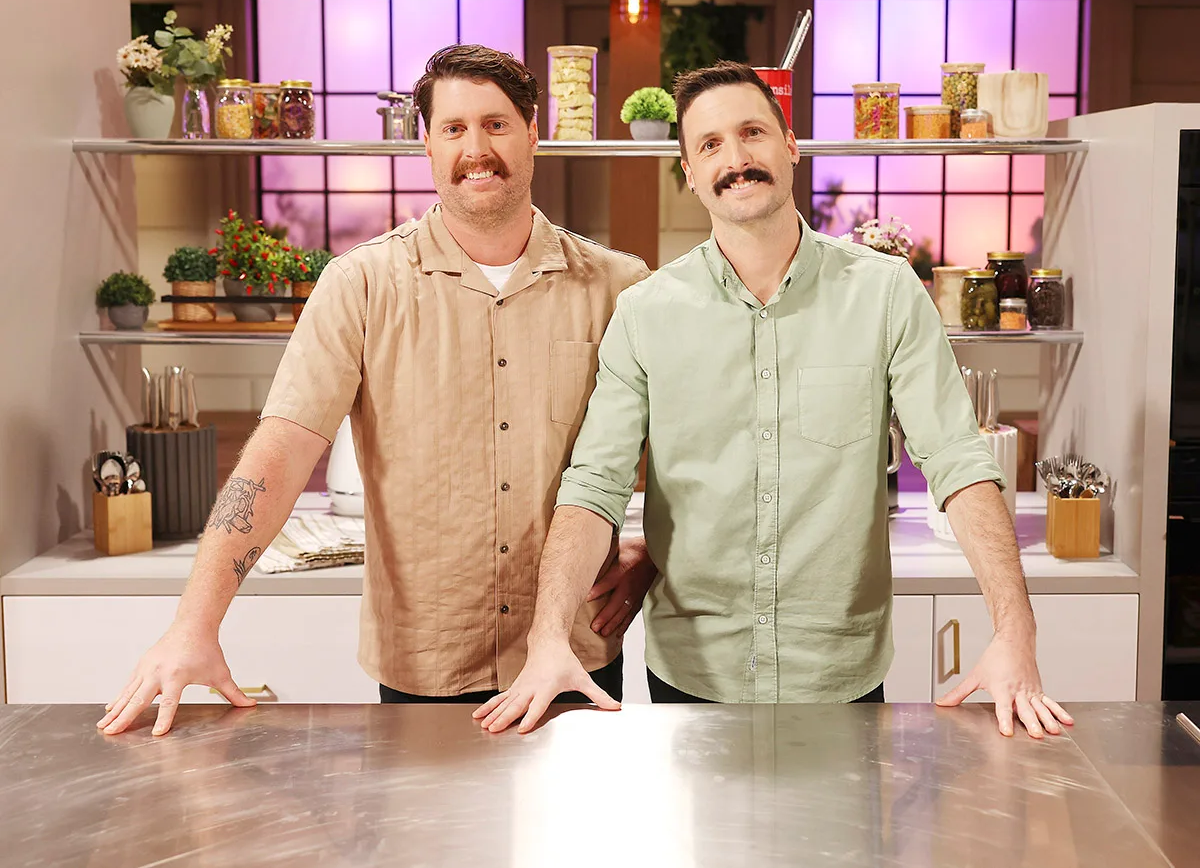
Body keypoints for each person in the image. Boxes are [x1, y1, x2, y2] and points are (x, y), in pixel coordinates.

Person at [475, 61, 1073, 739]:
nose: (736, 158)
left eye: (752, 132)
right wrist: (549, 634)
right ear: (690, 173)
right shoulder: (645, 313)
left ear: (790, 145)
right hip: (690, 676)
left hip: (838, 675)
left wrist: (1015, 631)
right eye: (709, 145)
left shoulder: (884, 294)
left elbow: (958, 463)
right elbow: (594, 484)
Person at [99, 45, 654, 736]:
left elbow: (685, 453)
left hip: (574, 654)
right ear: (425, 142)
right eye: (453, 128)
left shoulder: (619, 285)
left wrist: (652, 548)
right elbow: (281, 451)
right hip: (425, 661)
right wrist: (194, 623)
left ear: (534, 129)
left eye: (496, 124)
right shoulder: (361, 285)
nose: (475, 148)